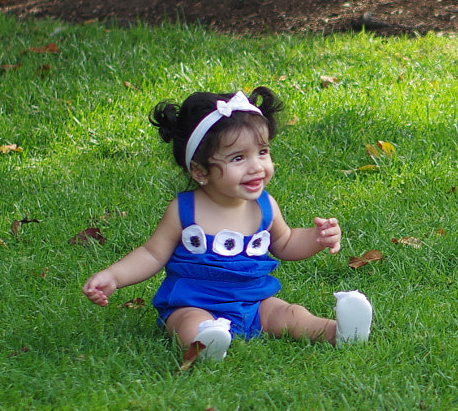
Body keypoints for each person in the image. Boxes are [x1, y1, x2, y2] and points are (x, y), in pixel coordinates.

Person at [82, 87, 349, 361]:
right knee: (188, 323)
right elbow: (152, 254)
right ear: (200, 171)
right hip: (194, 304)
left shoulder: (265, 206)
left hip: (255, 303)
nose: (257, 166)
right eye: (238, 158)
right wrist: (114, 276)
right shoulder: (185, 211)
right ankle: (205, 343)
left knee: (291, 314)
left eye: (262, 151)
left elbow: (286, 242)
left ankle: (335, 331)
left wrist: (317, 238)